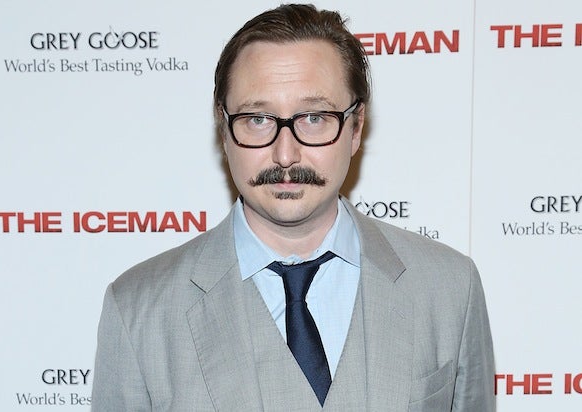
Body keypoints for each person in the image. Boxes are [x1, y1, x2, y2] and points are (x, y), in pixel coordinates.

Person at [91, 4, 495, 411]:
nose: (286, 154)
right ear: (224, 129)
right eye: (258, 119)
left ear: (356, 127)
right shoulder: (139, 310)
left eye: (314, 118)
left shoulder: (449, 289)